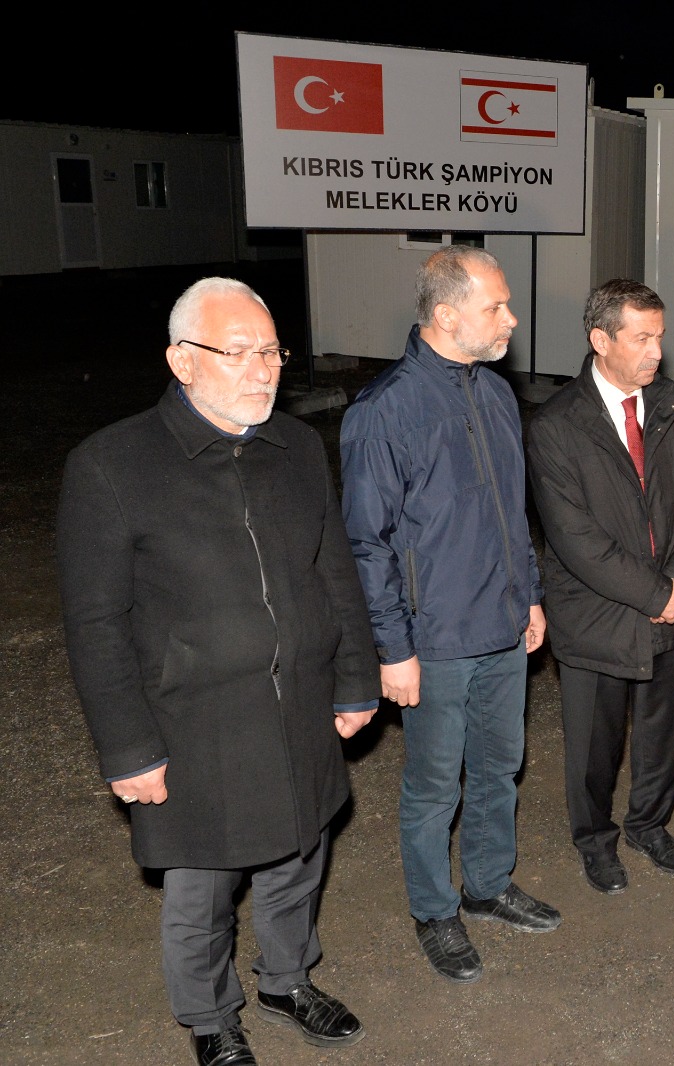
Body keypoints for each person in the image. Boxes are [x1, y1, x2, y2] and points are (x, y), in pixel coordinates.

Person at [57, 277, 379, 1066]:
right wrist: (128, 749)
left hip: (298, 698)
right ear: (182, 360)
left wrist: (354, 675)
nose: (262, 370)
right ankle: (210, 1017)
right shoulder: (112, 465)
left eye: (271, 351)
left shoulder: (295, 447)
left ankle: (287, 980)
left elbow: (333, 569)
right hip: (190, 720)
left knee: (299, 851)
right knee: (202, 886)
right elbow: (95, 624)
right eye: (237, 352)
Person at [341, 246, 559, 985]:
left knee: (499, 765)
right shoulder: (385, 411)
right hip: (432, 639)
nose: (511, 318)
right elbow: (367, 543)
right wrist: (392, 649)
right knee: (436, 786)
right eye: (495, 306)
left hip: (501, 623)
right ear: (445, 315)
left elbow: (512, 511)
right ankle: (435, 911)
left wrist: (529, 594)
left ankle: (489, 885)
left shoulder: (494, 393)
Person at [526, 280, 674, 895]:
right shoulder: (557, 425)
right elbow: (574, 537)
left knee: (661, 732)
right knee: (594, 743)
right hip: (597, 612)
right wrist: (654, 594)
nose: (656, 352)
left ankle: (649, 826)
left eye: (659, 337)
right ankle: (595, 841)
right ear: (600, 340)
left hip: (669, 601)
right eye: (641, 338)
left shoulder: (672, 406)